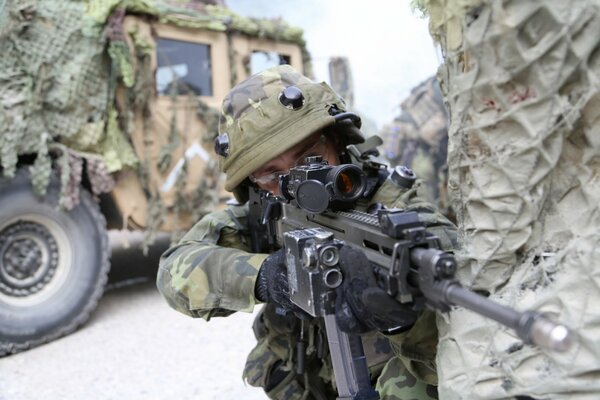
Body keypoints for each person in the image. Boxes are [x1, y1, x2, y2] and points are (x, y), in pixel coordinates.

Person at [157, 65, 457, 399]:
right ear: (252, 184)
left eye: (312, 157)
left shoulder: (393, 212)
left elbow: (455, 273)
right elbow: (174, 268)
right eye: (272, 174)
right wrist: (266, 275)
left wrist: (404, 320)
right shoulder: (267, 210)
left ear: (339, 143)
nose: (300, 183)